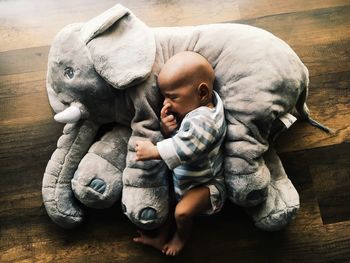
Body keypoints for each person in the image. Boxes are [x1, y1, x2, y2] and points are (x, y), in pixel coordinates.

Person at [133, 51, 227, 256]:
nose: (166, 104)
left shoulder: (205, 121)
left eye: (173, 97)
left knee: (181, 212)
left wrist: (155, 150)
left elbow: (188, 146)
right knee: (169, 206)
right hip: (186, 180)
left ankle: (182, 237)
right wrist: (168, 130)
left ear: (202, 93)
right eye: (165, 96)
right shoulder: (197, 111)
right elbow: (185, 138)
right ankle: (160, 238)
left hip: (207, 185)